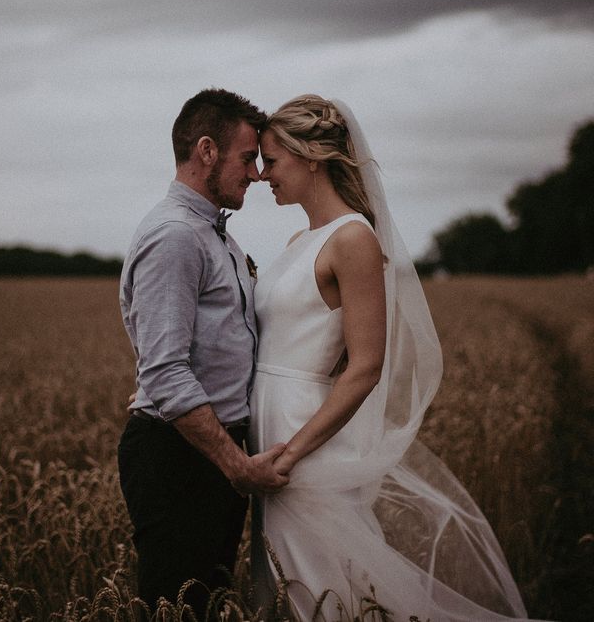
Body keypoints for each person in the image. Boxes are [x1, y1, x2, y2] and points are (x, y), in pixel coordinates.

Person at [248, 95, 533, 621]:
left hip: (301, 434)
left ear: (311, 156)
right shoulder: (298, 239)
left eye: (272, 160)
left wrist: (290, 454)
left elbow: (365, 366)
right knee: (286, 586)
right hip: (266, 424)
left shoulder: (353, 238)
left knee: (323, 586)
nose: (263, 175)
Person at [117, 88, 290, 618]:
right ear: (207, 151)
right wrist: (236, 466)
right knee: (179, 608)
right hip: (179, 456)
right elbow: (166, 373)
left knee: (208, 603)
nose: (257, 174)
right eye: (248, 158)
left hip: (208, 449)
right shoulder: (175, 237)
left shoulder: (216, 237)